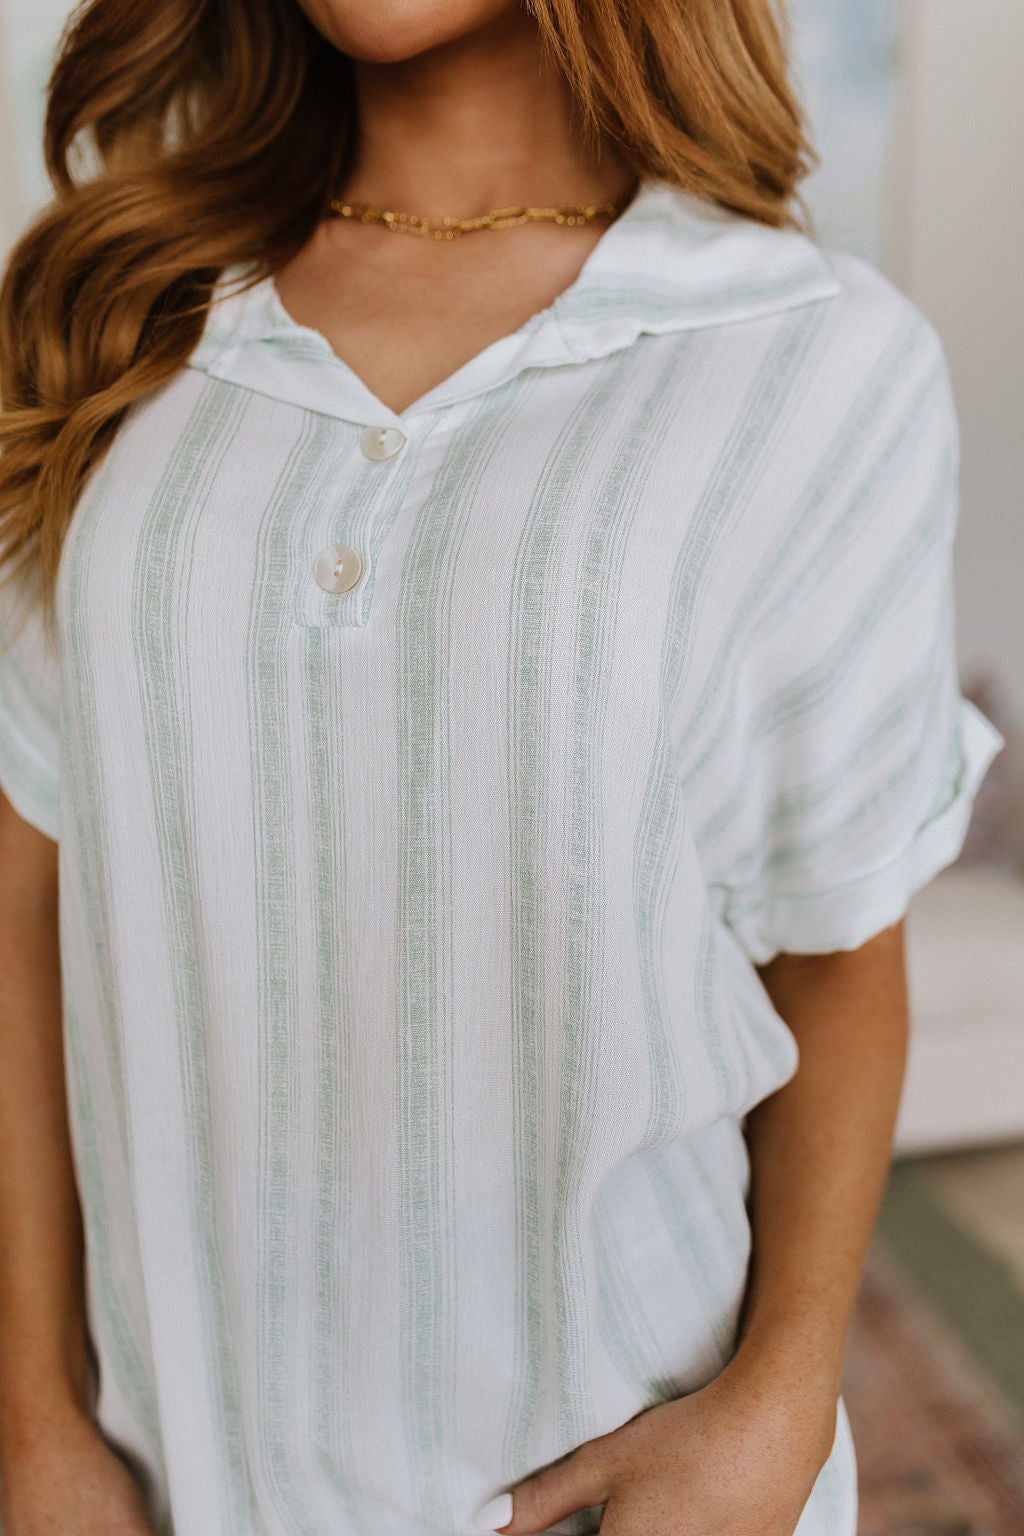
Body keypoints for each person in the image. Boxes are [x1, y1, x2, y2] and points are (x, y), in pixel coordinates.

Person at [0, 0, 1005, 1533]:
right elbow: (25, 908)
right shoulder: (119, 311)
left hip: (623, 1473)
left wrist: (781, 1403)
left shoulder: (815, 359)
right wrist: (38, 1432)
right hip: (164, 1482)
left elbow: (835, 953)